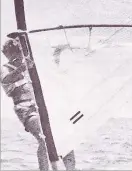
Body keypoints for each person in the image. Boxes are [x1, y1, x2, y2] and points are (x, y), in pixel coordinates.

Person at [1, 37, 76, 171]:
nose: (17, 56)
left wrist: (58, 51)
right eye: (14, 53)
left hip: (42, 106)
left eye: (19, 52)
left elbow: (54, 67)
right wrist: (22, 68)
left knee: (64, 136)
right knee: (43, 137)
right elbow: (6, 79)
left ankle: (71, 169)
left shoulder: (30, 65)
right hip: (25, 109)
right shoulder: (5, 68)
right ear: (8, 54)